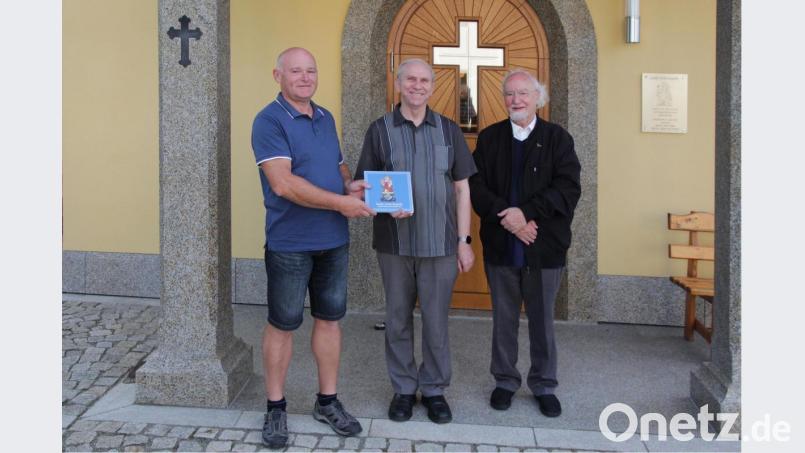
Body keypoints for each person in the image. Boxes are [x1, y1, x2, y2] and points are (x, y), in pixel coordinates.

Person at [250, 47, 374, 448]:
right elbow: (283, 184)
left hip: (333, 241)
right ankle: (275, 409)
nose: (305, 78)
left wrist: (349, 186)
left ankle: (327, 401)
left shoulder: (325, 117)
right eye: (296, 71)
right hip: (290, 243)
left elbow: (338, 166)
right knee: (283, 324)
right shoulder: (268, 120)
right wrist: (342, 203)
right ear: (278, 75)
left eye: (311, 71)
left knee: (329, 320)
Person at [354, 59, 477, 424]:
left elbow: (462, 188)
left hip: (440, 244)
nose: (417, 85)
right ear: (398, 83)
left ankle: (435, 390)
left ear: (433, 87)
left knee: (436, 320)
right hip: (394, 244)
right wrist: (385, 206)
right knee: (397, 319)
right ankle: (404, 389)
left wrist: (464, 240)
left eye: (424, 80)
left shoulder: (449, 130)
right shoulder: (379, 130)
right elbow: (364, 185)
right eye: (411, 79)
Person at [469, 69, 581, 418]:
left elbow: (568, 189)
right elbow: (476, 188)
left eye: (523, 94)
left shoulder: (557, 139)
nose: (515, 100)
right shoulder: (489, 139)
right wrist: (509, 217)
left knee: (542, 319)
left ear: (538, 98)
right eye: (509, 94)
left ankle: (544, 384)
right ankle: (504, 381)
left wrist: (527, 215)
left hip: (544, 245)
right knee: (504, 318)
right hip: (503, 244)